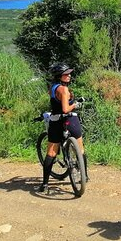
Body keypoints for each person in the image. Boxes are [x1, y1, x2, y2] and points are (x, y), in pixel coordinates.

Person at [37, 63, 87, 193]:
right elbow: (65, 109)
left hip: (55, 122)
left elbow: (56, 106)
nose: (69, 76)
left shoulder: (52, 88)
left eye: (69, 73)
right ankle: (85, 176)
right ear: (60, 76)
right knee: (80, 150)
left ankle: (45, 184)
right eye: (66, 74)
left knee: (51, 153)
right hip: (70, 119)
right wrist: (75, 105)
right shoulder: (64, 90)